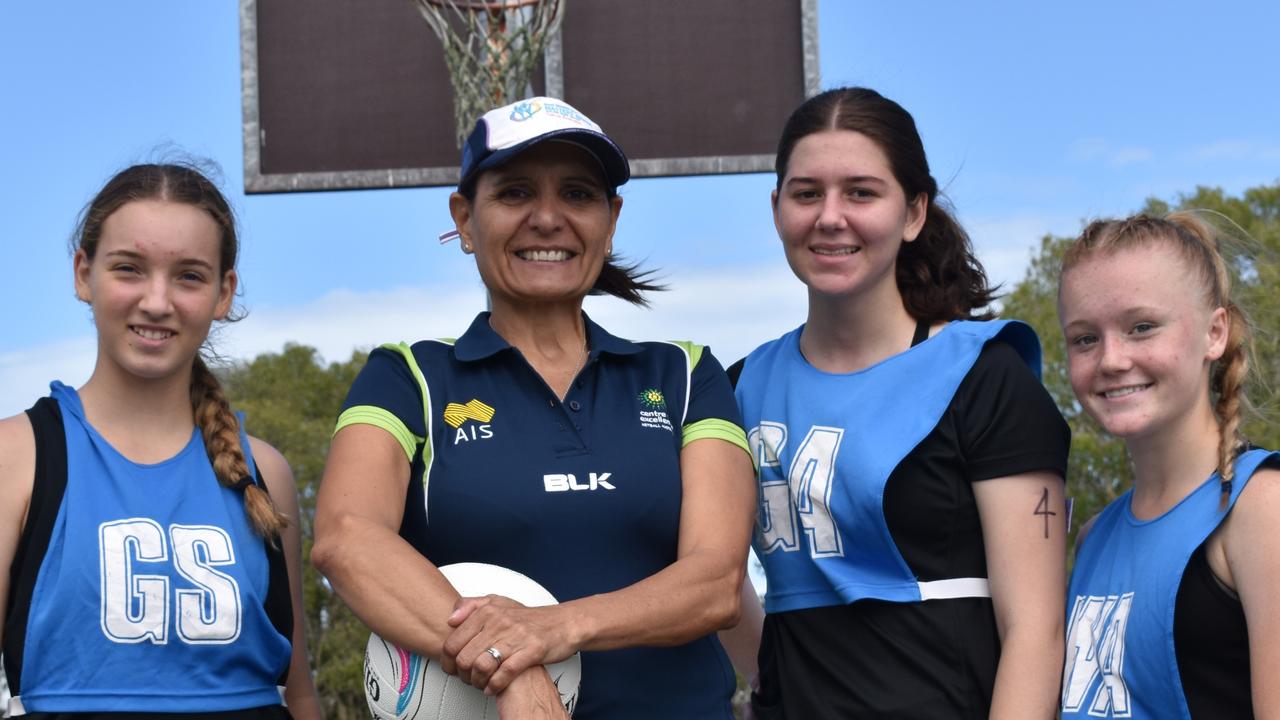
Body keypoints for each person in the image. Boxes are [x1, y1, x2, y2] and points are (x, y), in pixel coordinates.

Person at [311, 97, 757, 720]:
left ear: (611, 219)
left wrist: (550, 632)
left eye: (577, 195)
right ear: (465, 219)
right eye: (516, 193)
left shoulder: (684, 373)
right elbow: (346, 538)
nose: (548, 219)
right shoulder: (405, 375)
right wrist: (512, 671)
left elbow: (714, 585)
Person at [728, 87, 1071, 719]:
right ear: (777, 209)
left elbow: (1038, 631)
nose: (831, 216)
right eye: (807, 193)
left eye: (861, 192)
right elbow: (720, 585)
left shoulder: (983, 374)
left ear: (913, 212)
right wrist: (772, 679)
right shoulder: (739, 387)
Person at [0, 163, 321, 718]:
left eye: (188, 276)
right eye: (129, 269)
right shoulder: (19, 456)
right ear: (83, 274)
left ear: (224, 293)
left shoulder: (263, 471)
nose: (156, 301)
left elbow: (299, 696)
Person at [1057, 212, 1280, 718]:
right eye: (1085, 338)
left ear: (1214, 334)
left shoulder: (1261, 508)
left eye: (1141, 327)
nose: (1111, 359)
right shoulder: (1094, 538)